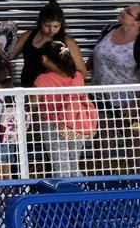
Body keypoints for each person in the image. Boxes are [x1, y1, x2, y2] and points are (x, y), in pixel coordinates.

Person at [88, 3, 140, 160]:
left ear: (138, 23)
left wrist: (135, 103)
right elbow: (93, 60)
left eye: (128, 12)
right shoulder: (108, 30)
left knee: (133, 143)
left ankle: (136, 180)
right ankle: (103, 180)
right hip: (100, 97)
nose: (122, 11)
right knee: (102, 144)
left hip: (128, 102)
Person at [34, 41, 99, 178]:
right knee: (74, 164)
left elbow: (34, 104)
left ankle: (63, 197)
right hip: (76, 124)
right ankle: (80, 195)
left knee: (60, 165)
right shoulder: (77, 76)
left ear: (45, 58)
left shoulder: (42, 80)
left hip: (53, 126)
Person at [0, 0, 87, 88]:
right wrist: (0, 49)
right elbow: (8, 57)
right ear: (40, 22)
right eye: (47, 25)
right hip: (28, 87)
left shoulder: (67, 42)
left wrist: (68, 90)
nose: (51, 30)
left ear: (61, 25)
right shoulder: (28, 36)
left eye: (56, 26)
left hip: (53, 92)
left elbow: (82, 72)